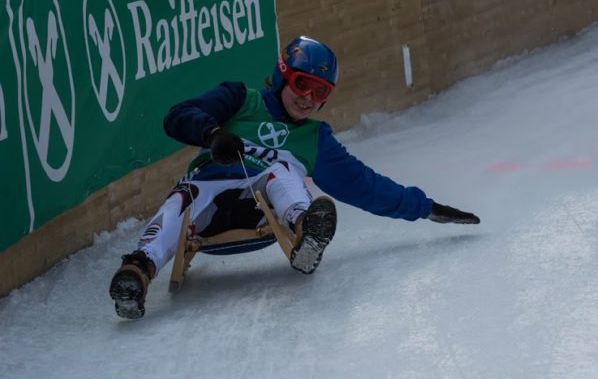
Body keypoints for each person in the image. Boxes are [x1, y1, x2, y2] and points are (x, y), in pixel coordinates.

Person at [109, 36, 480, 319]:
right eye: (303, 85)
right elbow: (178, 115)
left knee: (283, 169)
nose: (308, 99)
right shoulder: (241, 99)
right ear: (282, 76)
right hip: (207, 197)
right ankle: (138, 271)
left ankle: (307, 232)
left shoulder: (315, 138)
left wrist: (425, 207)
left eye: (321, 93)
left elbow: (365, 186)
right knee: (183, 195)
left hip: (265, 207)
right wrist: (212, 134)